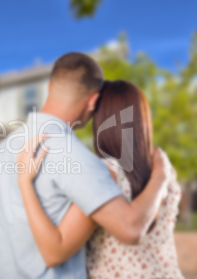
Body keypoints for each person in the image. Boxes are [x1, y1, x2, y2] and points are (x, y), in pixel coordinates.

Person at [0, 52, 173, 278]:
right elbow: (131, 229)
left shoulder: (4, 148)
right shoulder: (75, 156)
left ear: (51, 86)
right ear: (93, 100)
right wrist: (161, 175)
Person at [17, 80, 183, 278]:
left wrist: (24, 182)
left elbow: (55, 252)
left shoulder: (105, 173)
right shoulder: (163, 169)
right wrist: (161, 175)